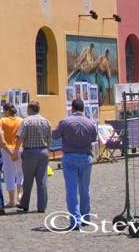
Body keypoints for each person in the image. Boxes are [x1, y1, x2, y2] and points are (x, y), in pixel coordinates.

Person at [52, 98, 97, 229]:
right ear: (83, 108)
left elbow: (55, 135)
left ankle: (75, 220)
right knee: (85, 189)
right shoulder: (90, 123)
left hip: (70, 156)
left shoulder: (65, 122)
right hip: (85, 156)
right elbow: (94, 139)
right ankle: (85, 217)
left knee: (71, 189)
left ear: (72, 108)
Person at [15, 100, 52, 213]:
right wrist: (47, 151)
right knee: (42, 180)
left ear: (30, 109)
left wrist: (16, 151)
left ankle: (25, 204)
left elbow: (20, 137)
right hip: (43, 151)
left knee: (28, 180)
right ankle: (42, 207)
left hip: (30, 152)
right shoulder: (46, 121)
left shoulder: (26, 121)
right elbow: (49, 138)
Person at [0, 103, 23, 207]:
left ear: (7, 111)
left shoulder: (2, 121)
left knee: (9, 174)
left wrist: (9, 150)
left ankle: (12, 200)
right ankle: (20, 196)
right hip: (20, 148)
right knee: (20, 173)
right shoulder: (21, 121)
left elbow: (0, 136)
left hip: (7, 150)